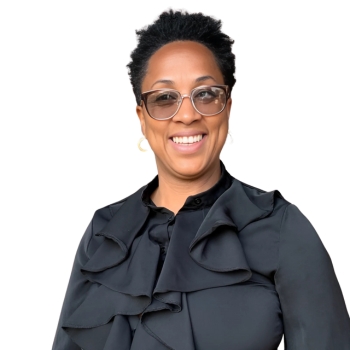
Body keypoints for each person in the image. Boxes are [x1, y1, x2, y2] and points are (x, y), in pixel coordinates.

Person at [52, 10, 350, 350]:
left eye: (206, 94)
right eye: (164, 98)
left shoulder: (281, 228)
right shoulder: (104, 233)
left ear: (227, 106)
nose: (187, 114)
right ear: (142, 118)